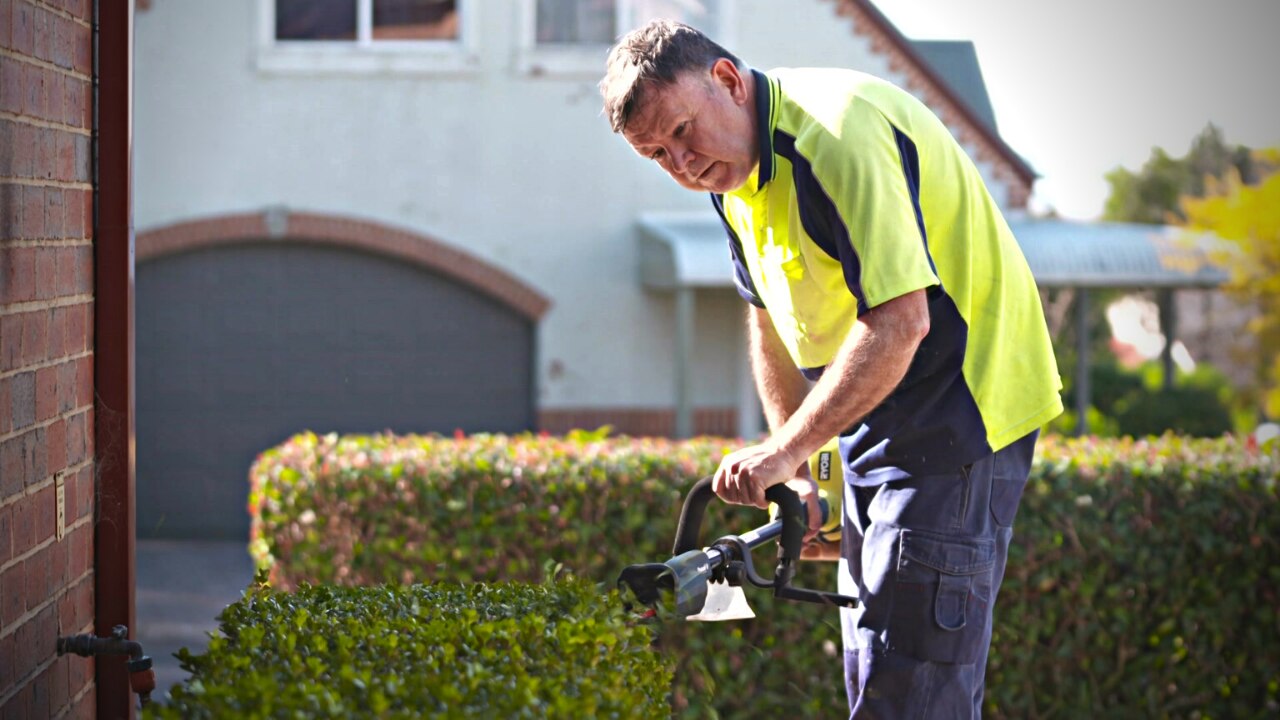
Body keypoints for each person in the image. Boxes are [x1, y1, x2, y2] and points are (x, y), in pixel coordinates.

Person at [600, 19, 1063, 719]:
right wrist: (805, 471)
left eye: (683, 132)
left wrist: (787, 450)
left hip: (960, 409)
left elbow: (901, 320)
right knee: (873, 664)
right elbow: (772, 323)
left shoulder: (837, 137)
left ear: (727, 80)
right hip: (878, 415)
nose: (682, 164)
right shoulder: (734, 179)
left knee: (910, 689)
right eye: (657, 154)